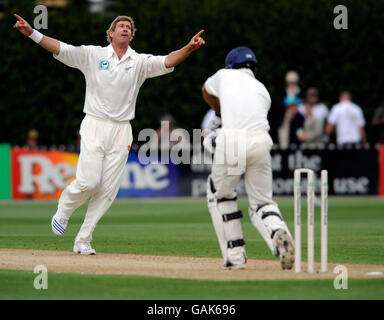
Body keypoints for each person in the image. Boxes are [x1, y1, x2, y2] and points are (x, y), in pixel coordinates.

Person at [13, 14, 205, 255]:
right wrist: (32, 33)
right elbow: (61, 48)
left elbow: (167, 61)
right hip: (94, 124)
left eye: (129, 27)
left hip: (122, 129)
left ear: (131, 35)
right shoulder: (94, 55)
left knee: (107, 191)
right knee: (89, 182)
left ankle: (83, 239)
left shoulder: (139, 62)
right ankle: (64, 209)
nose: (125, 29)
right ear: (111, 33)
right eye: (120, 26)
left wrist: (189, 47)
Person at [201, 47, 294, 270]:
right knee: (263, 202)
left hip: (233, 143)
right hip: (261, 142)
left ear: (230, 65)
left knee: (220, 195)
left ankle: (235, 256)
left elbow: (205, 89)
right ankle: (278, 235)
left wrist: (219, 112)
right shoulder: (262, 89)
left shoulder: (224, 75)